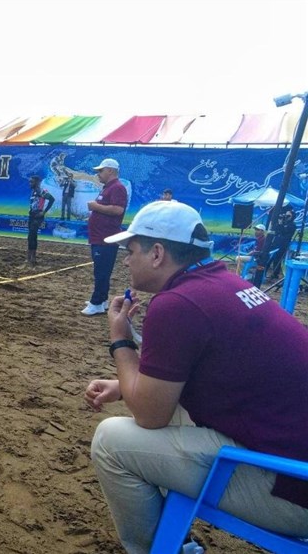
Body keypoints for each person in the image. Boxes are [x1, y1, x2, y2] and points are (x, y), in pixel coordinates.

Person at [83, 200, 308, 553]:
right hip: (292, 458)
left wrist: (119, 338)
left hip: (291, 489)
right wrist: (127, 388)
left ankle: (154, 549)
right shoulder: (223, 283)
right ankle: (174, 541)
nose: (126, 260)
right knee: (156, 418)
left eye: (131, 250)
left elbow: (150, 415)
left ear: (157, 253)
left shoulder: (177, 304)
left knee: (111, 442)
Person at [82, 158, 128, 316]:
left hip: (106, 238)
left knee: (101, 271)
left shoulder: (117, 188)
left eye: (100, 171)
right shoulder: (109, 187)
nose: (98, 174)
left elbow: (117, 210)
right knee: (101, 271)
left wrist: (95, 207)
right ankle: (101, 300)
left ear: (110, 170)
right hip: (101, 237)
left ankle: (96, 302)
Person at [27, 176, 55, 266]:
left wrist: (44, 212)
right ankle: (30, 257)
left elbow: (51, 199)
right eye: (30, 182)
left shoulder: (41, 191)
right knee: (31, 237)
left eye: (32, 182)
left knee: (32, 236)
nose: (30, 183)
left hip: (37, 216)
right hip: (32, 215)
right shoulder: (33, 191)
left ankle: (32, 258)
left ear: (36, 182)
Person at [268, 204, 296, 280]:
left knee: (277, 259)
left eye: (288, 216)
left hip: (283, 244)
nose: (286, 217)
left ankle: (275, 274)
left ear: (292, 217)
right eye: (286, 215)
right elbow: (276, 231)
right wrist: (278, 223)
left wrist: (280, 224)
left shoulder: (292, 225)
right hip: (276, 242)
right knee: (270, 257)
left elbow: (284, 231)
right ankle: (266, 271)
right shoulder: (283, 223)